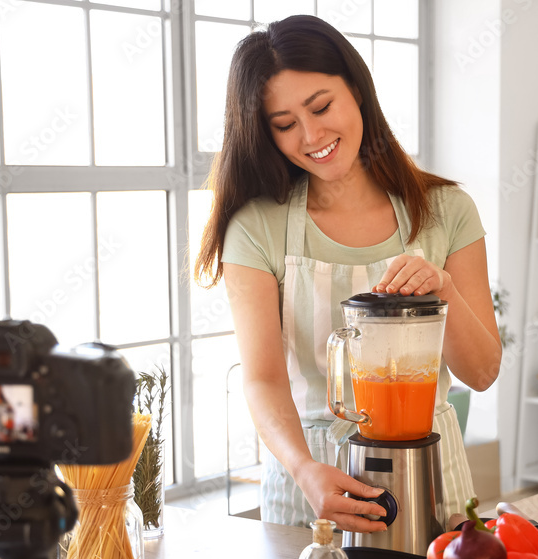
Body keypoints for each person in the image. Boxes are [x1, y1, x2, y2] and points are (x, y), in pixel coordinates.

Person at [194, 15, 502, 533]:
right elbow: (264, 380)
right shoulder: (256, 227)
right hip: (310, 482)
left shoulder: (446, 210)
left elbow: (482, 373)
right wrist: (305, 471)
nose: (312, 135)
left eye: (321, 107)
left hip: (431, 475)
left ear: (356, 90)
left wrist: (442, 291)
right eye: (285, 124)